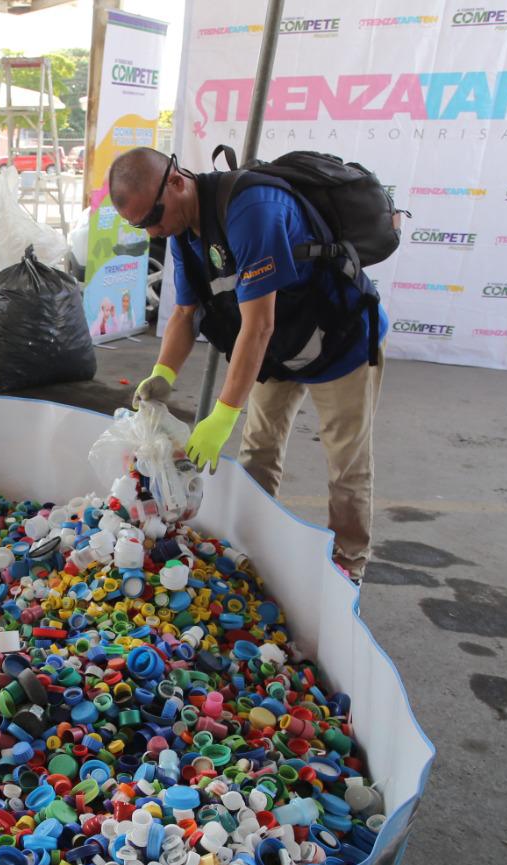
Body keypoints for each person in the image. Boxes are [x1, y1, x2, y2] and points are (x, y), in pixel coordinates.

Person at [107, 146, 388, 585]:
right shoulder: (182, 228)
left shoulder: (252, 210)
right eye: (143, 226)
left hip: (339, 340)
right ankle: (255, 552)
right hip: (280, 348)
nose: (155, 230)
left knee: (346, 463)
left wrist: (223, 413)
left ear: (177, 180)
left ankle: (348, 567)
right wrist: (163, 374)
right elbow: (185, 313)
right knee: (259, 451)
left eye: (155, 217)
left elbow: (257, 326)